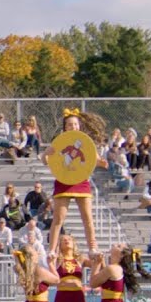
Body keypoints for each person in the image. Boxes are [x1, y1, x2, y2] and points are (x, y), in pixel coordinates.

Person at [44, 109, 108, 257]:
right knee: (58, 218)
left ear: (79, 126)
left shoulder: (86, 142)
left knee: (87, 218)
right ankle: (52, 250)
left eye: (75, 124)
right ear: (65, 127)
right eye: (70, 124)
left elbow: (93, 160)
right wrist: (46, 153)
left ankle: (92, 248)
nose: (73, 127)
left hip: (81, 181)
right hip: (63, 180)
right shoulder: (60, 142)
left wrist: (101, 163)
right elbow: (46, 160)